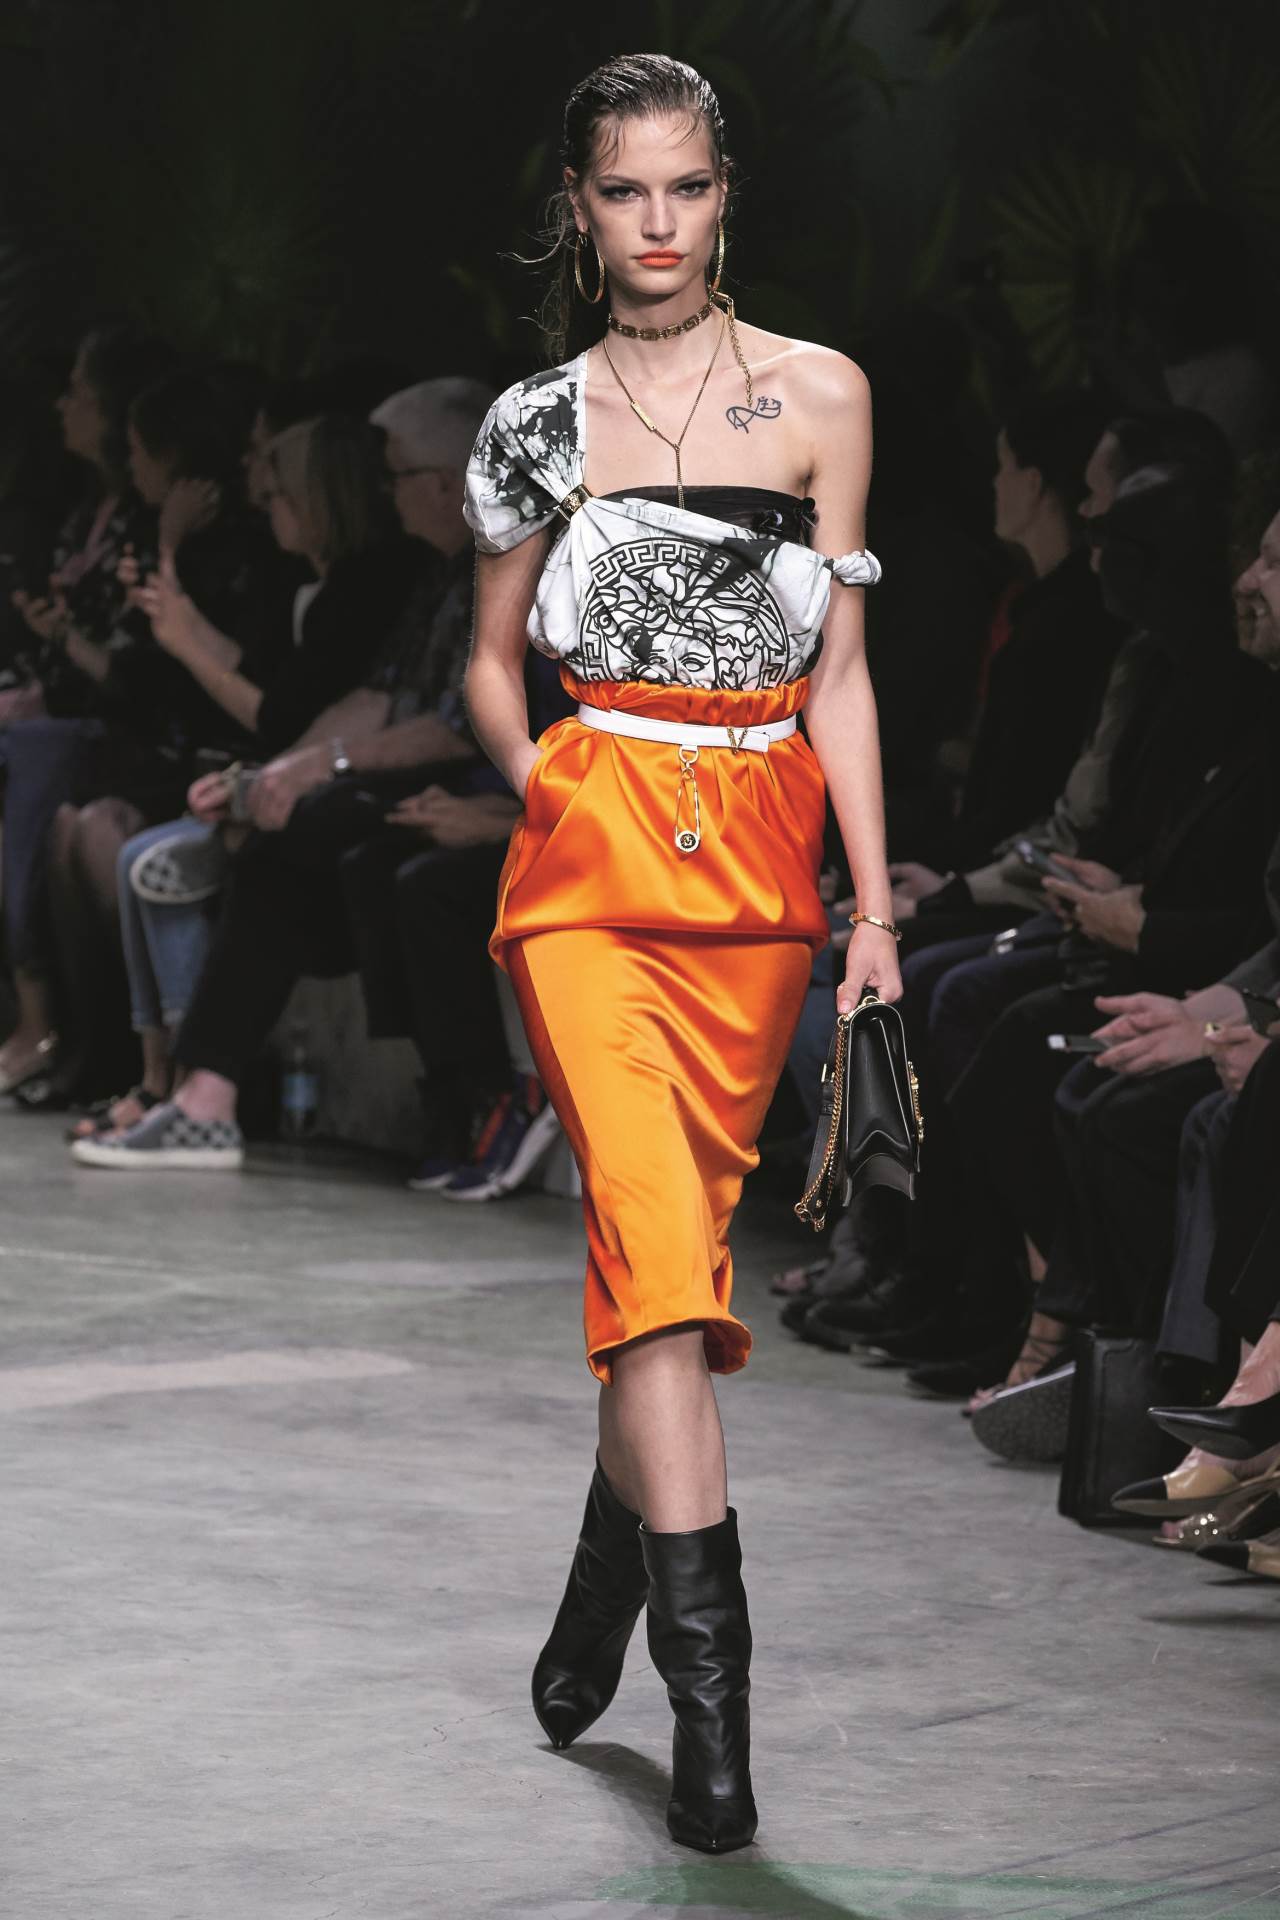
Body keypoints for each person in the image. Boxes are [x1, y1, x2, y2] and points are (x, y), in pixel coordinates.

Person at [461, 55, 897, 1853]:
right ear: (577, 208)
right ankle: (717, 1721)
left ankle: (602, 1587)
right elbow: (490, 661)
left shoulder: (821, 394)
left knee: (672, 1262)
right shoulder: (533, 423)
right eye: (625, 191)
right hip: (589, 874)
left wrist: (878, 912)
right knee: (655, 1250)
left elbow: (841, 677)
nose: (659, 223)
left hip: (760, 881)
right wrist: (552, 782)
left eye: (688, 187)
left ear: (726, 195)